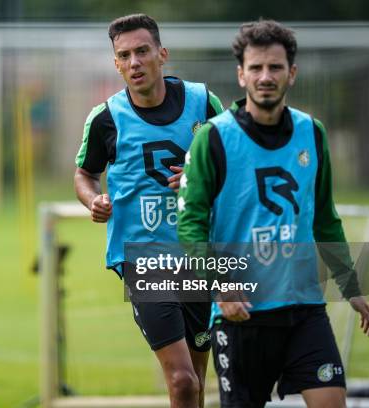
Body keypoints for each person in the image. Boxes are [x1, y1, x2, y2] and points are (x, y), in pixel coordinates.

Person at [178, 19, 369, 408]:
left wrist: (351, 287)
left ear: (292, 73)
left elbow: (324, 219)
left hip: (304, 308)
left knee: (331, 400)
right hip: (242, 315)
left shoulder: (312, 133)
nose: (265, 76)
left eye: (275, 67)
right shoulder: (213, 138)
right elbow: (190, 225)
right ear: (241, 75)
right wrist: (220, 285)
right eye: (256, 68)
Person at [74, 14, 224, 408]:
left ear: (162, 54)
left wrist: (199, 178)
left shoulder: (203, 102)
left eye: (142, 51)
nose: (135, 62)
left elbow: (231, 165)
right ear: (117, 65)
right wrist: (94, 199)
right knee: (182, 381)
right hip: (143, 257)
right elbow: (85, 173)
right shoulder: (106, 117)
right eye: (124, 55)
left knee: (198, 378)